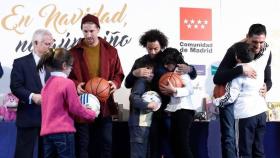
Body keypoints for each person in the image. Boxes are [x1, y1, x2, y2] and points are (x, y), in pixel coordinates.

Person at [125, 29, 197, 158]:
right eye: (149, 49)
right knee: (149, 148)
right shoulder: (140, 62)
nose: (152, 52)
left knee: (172, 146)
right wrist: (134, 74)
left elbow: (191, 74)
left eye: (156, 49)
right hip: (145, 110)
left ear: (162, 46)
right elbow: (127, 84)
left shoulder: (168, 58)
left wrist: (190, 69)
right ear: (145, 46)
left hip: (165, 111)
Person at [68, 14, 124, 158]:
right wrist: (75, 85)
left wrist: (115, 83)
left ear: (98, 29)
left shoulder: (111, 51)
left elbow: (119, 74)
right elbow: (66, 77)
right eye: (85, 31)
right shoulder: (73, 52)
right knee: (83, 143)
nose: (88, 34)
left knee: (106, 142)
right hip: (83, 104)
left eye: (91, 31)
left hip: (104, 103)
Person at [213, 23, 272, 158]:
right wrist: (240, 69)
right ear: (247, 38)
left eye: (261, 42)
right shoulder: (235, 50)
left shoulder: (267, 50)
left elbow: (268, 78)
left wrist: (267, 86)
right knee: (229, 138)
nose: (258, 46)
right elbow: (218, 78)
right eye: (254, 42)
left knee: (256, 148)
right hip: (231, 99)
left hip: (255, 108)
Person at [37, 48, 97, 158]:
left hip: (47, 133)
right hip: (63, 132)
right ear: (64, 66)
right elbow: (75, 107)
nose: (71, 70)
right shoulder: (67, 83)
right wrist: (91, 113)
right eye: (71, 66)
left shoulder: (46, 85)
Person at [10, 29, 54, 158]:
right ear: (36, 43)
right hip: (28, 116)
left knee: (47, 154)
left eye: (51, 43)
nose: (50, 47)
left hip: (49, 118)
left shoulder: (53, 64)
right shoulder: (20, 63)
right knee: (23, 154)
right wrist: (32, 97)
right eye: (47, 44)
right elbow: (16, 87)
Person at [160, 48, 197, 158]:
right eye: (164, 64)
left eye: (168, 63)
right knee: (175, 143)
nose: (166, 66)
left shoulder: (181, 72)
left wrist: (175, 91)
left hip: (185, 111)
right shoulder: (171, 73)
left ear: (175, 61)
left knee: (182, 144)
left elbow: (190, 90)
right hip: (177, 111)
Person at [128, 58, 159, 158]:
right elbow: (133, 98)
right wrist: (148, 104)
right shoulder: (141, 82)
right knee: (139, 154)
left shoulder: (148, 83)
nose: (150, 74)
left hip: (143, 124)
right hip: (139, 124)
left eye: (151, 72)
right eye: (147, 71)